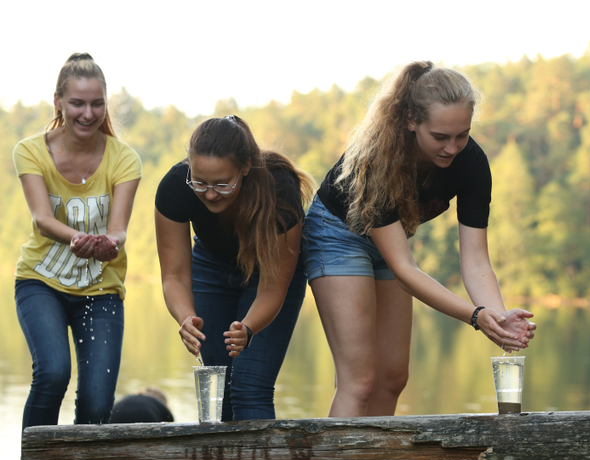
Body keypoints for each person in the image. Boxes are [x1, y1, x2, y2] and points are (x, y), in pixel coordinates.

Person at [304, 61, 536, 418]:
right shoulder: (378, 159)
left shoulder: (471, 164)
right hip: (338, 235)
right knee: (360, 381)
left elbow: (475, 259)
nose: (452, 147)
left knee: (393, 378)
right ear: (411, 120)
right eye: (440, 137)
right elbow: (405, 269)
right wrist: (476, 316)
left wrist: (499, 316)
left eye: (462, 134)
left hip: (390, 241)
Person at [155, 115, 314, 421]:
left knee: (249, 387)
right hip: (211, 265)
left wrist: (249, 327)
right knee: (217, 392)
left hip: (268, 268)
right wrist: (186, 317)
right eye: (200, 182)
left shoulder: (280, 192)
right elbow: (174, 276)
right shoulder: (175, 187)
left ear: (244, 169)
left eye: (222, 184)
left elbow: (272, 288)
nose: (210, 194)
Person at [13, 53, 142, 429]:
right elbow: (42, 219)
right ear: (59, 103)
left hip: (101, 289)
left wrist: (110, 244)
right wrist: (81, 238)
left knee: (98, 402)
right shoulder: (31, 150)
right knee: (53, 373)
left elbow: (119, 230)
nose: (88, 113)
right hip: (41, 281)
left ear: (106, 103)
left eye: (97, 103)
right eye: (77, 103)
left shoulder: (125, 159)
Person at [109, 387, 174, 423]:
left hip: (114, 420)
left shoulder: (128, 397)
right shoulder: (158, 404)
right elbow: (171, 421)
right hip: (147, 419)